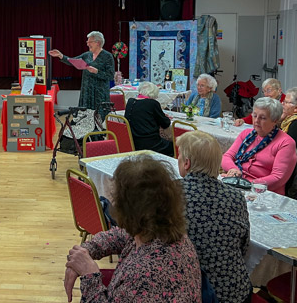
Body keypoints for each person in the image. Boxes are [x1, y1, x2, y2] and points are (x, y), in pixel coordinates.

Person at [64, 155, 201, 303]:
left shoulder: (144, 275)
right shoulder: (163, 232)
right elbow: (121, 235)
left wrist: (89, 274)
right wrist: (86, 251)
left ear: (126, 209)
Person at [177, 131, 251, 303]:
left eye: (179, 156)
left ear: (186, 163)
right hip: (235, 292)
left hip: (191, 290)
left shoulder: (171, 193)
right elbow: (243, 246)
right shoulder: (236, 197)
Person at [221, 97, 297, 195]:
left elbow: (278, 178)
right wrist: (233, 169)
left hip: (264, 191)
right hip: (238, 183)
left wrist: (247, 184)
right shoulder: (246, 134)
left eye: (263, 118)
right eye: (255, 115)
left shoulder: (286, 142)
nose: (256, 120)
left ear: (275, 120)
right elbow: (227, 156)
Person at [49, 31, 114, 112]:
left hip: (99, 94)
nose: (87, 44)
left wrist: (97, 71)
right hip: (86, 92)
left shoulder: (107, 56)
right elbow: (72, 61)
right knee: (85, 117)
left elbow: (110, 75)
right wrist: (60, 55)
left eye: (90, 42)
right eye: (87, 42)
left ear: (98, 43)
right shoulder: (87, 55)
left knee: (99, 119)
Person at [124, 81, 173, 155]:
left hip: (132, 142)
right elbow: (165, 123)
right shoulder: (152, 103)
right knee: (175, 146)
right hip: (151, 144)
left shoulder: (130, 101)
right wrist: (163, 116)